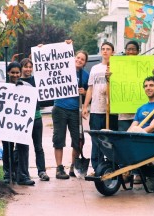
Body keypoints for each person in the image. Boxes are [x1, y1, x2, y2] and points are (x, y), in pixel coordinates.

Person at [52, 50, 89, 179]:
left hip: (75, 111)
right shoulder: (62, 69)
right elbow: (49, 63)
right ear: (73, 57)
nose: (79, 60)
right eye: (78, 57)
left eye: (82, 59)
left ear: (85, 63)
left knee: (79, 140)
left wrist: (84, 92)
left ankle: (74, 166)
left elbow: (89, 92)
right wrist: (41, 48)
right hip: (60, 108)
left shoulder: (85, 75)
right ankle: (59, 168)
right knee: (59, 139)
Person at [127, 76, 154, 183]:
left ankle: (130, 172)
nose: (148, 88)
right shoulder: (141, 108)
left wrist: (137, 133)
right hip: (137, 139)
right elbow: (133, 126)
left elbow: (152, 127)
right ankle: (125, 171)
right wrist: (125, 138)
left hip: (150, 142)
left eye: (151, 85)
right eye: (146, 86)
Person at [82, 42, 118, 174]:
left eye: (108, 49)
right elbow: (90, 89)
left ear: (113, 52)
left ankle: (111, 168)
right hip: (97, 109)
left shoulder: (117, 68)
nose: (105, 51)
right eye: (103, 49)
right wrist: (86, 106)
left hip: (112, 110)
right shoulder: (95, 68)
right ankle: (98, 168)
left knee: (111, 141)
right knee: (96, 140)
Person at [2, 62, 35, 186]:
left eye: (17, 72)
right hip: (6, 123)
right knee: (7, 148)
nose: (15, 75)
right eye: (13, 72)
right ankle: (8, 173)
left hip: (21, 123)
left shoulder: (26, 85)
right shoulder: (3, 86)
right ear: (8, 73)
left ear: (20, 73)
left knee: (23, 148)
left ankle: (22, 175)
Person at [19, 58, 50, 181]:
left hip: (36, 117)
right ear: (21, 68)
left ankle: (42, 171)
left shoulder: (37, 80)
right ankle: (23, 172)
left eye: (30, 67)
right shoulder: (17, 81)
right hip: (22, 119)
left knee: (39, 146)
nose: (28, 69)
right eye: (26, 66)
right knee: (23, 147)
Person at [118, 41, 140, 131]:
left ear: (138, 51)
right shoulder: (119, 66)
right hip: (124, 113)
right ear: (125, 51)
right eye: (128, 49)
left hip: (140, 112)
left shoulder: (144, 66)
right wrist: (108, 77)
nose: (131, 52)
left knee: (138, 139)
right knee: (123, 139)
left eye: (133, 49)